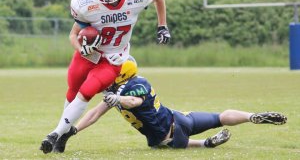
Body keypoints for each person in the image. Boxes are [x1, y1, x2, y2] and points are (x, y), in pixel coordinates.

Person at [40, 0, 171, 154]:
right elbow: (73, 35)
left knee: (87, 91)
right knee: (73, 91)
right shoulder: (86, 4)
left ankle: (55, 134)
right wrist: (82, 48)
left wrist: (162, 26)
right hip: (89, 54)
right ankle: (62, 135)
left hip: (114, 58)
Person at [51, 60, 287, 152]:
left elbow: (133, 102)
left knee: (163, 144)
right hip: (178, 117)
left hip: (170, 132)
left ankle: (205, 144)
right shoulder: (122, 88)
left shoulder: (132, 87)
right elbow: (93, 114)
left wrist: (117, 100)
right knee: (219, 117)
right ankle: (251, 116)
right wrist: (72, 130)